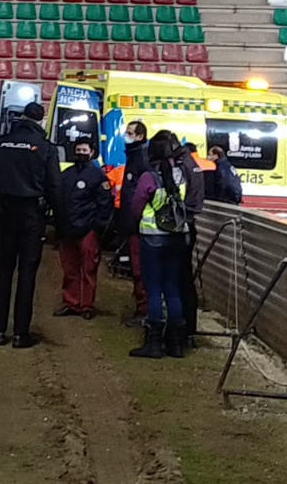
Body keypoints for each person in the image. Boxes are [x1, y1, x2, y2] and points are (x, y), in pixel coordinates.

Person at [0, 102, 62, 349]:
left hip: (5, 211)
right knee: (27, 273)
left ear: (22, 117)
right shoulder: (46, 148)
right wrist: (58, 220)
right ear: (41, 120)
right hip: (31, 214)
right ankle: (20, 333)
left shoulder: (0, 143)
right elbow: (54, 187)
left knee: (3, 273)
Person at [124, 130, 190, 359]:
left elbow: (135, 208)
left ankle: (154, 344)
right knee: (172, 288)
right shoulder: (181, 174)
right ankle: (176, 344)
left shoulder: (148, 177)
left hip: (152, 237)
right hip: (178, 237)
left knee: (153, 289)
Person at [55, 137, 113, 319]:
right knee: (69, 269)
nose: (80, 153)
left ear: (92, 152)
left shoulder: (98, 176)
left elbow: (105, 205)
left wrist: (97, 228)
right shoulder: (66, 174)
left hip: (88, 231)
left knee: (88, 269)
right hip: (67, 230)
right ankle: (71, 302)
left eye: (84, 150)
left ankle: (86, 305)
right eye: (78, 150)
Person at [118, 119, 151, 328]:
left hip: (138, 224)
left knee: (141, 270)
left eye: (130, 133)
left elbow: (136, 193)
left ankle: (145, 310)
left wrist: (132, 219)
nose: (126, 135)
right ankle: (142, 307)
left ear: (140, 136)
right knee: (137, 269)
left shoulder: (139, 157)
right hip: (133, 223)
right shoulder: (134, 155)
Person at [174, 138, 206, 345]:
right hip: (189, 224)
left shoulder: (181, 167)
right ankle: (187, 328)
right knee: (185, 280)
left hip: (181, 226)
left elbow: (181, 198)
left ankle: (182, 331)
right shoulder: (192, 164)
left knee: (180, 281)